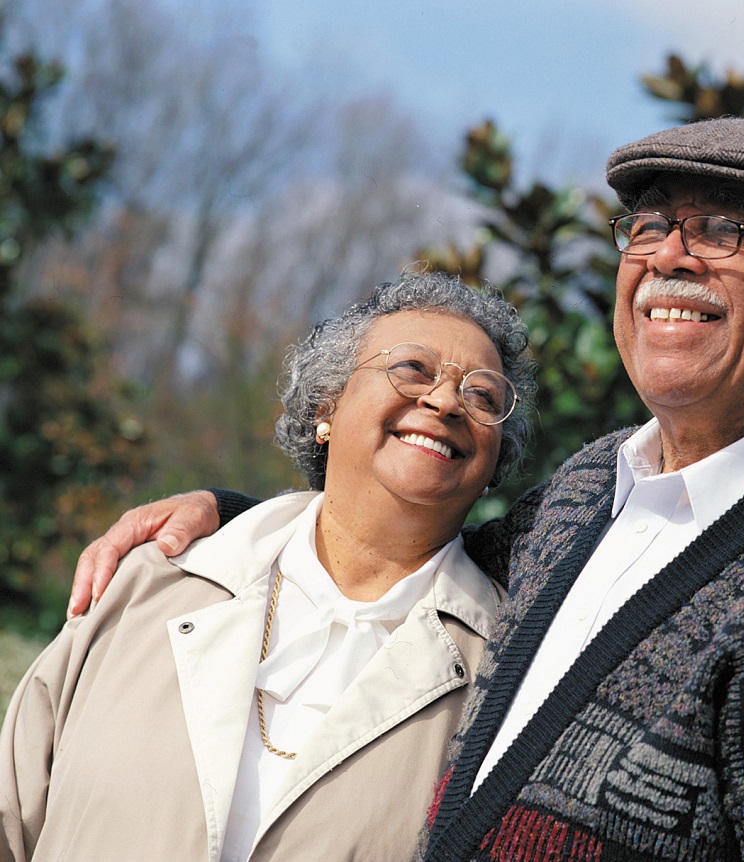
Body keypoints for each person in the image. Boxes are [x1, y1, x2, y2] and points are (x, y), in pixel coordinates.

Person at [64, 118, 744, 861]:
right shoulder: (588, 491)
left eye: (726, 229)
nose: (671, 256)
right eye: (650, 225)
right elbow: (400, 542)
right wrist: (230, 520)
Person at [0, 270, 537, 862]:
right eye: (413, 368)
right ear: (326, 407)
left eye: (483, 397)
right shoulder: (146, 583)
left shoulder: (507, 675)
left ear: (494, 460)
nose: (444, 401)